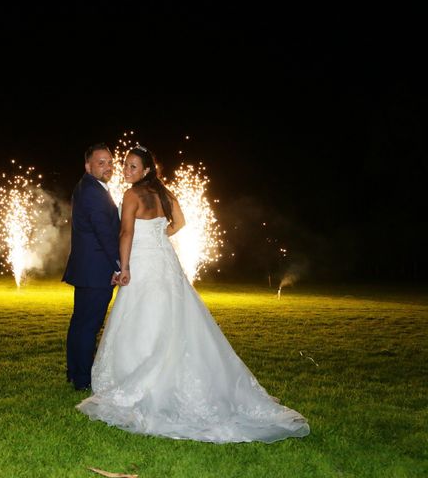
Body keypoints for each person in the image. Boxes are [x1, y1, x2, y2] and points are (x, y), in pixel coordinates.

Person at [77, 145, 310, 443]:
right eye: (126, 165)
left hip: (143, 263)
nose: (127, 170)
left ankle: (142, 377)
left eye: (133, 167)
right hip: (165, 262)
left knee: (142, 316)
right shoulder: (164, 194)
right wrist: (159, 236)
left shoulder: (132, 195)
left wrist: (124, 266)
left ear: (146, 170)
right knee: (172, 317)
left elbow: (126, 234)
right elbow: (180, 223)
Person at [62, 143, 121, 391]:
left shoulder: (89, 187)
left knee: (80, 323)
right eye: (101, 162)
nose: (107, 167)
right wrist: (119, 264)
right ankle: (83, 379)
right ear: (88, 166)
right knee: (88, 325)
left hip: (87, 269)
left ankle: (76, 372)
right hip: (97, 271)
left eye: (109, 162)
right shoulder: (93, 192)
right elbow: (105, 233)